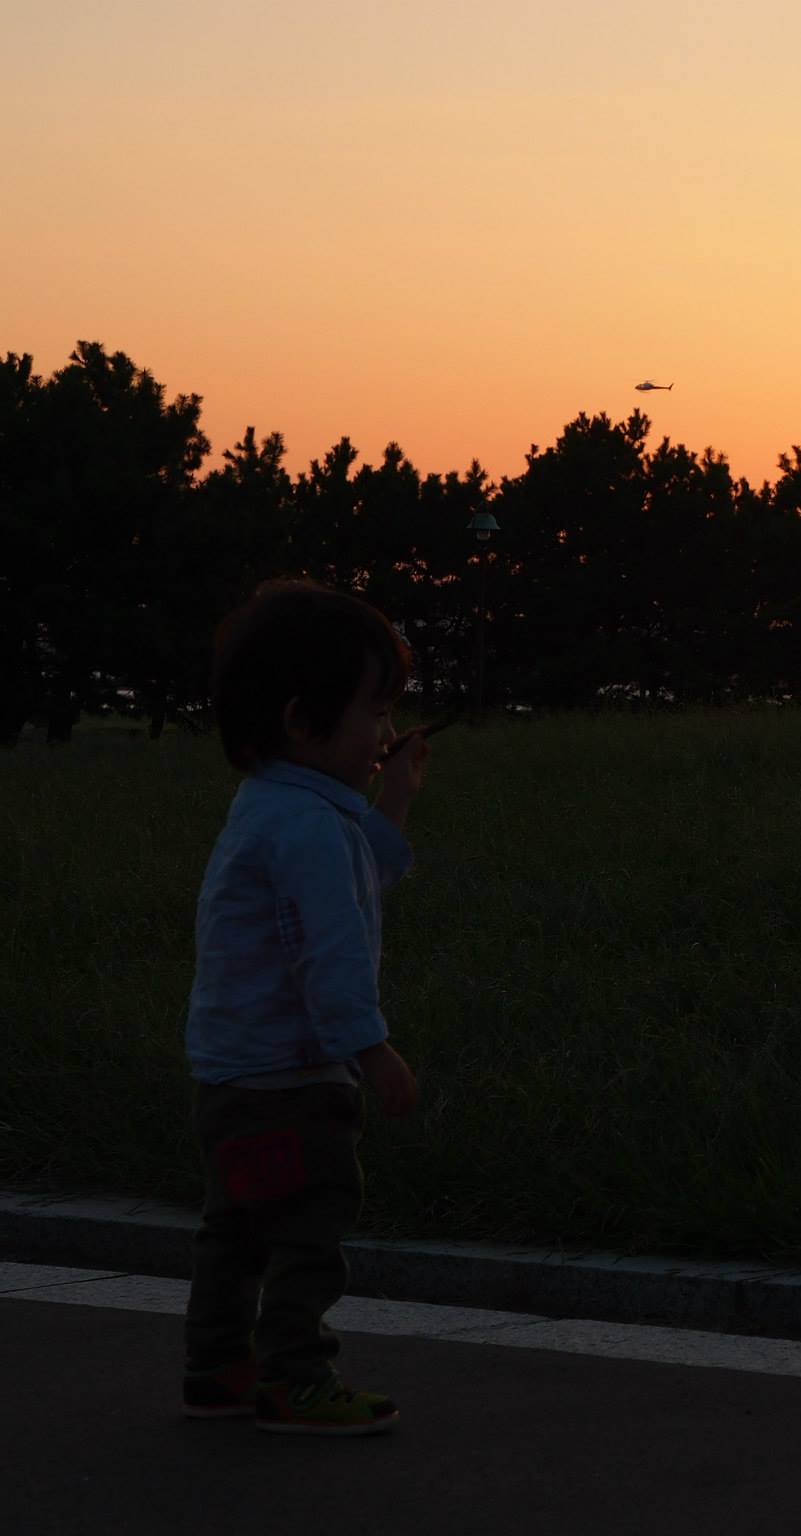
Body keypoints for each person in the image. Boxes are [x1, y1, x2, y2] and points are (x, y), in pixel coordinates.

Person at [180, 580, 429, 1436]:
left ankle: (217, 1366)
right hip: (295, 1080)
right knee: (308, 1230)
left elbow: (355, 880)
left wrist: (391, 800)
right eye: (372, 713)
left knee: (238, 1227)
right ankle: (296, 1376)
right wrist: (373, 1051)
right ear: (302, 721)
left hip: (231, 1075)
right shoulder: (311, 828)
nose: (386, 735)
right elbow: (331, 954)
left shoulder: (275, 808)